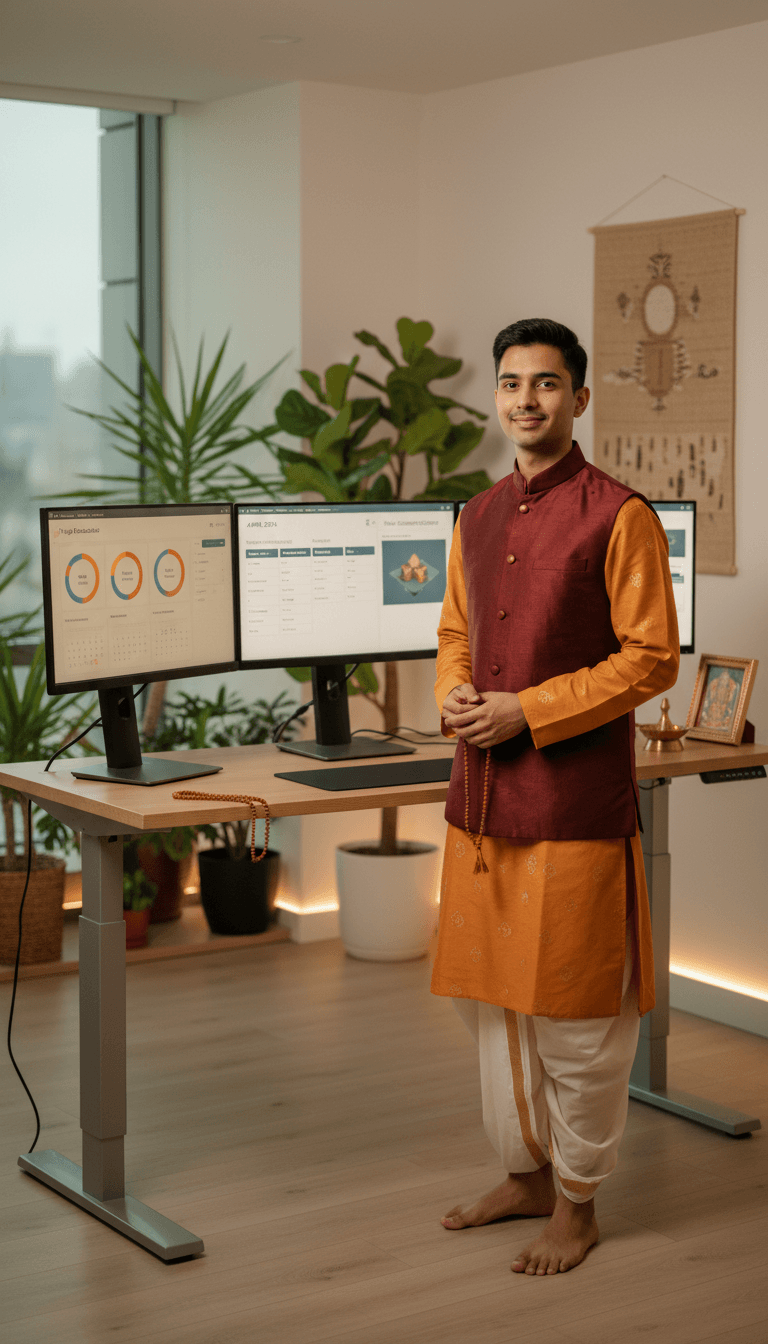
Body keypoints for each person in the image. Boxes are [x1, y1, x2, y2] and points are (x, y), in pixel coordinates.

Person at [432, 318, 679, 1275]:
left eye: (545, 384)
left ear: (579, 398)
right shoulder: (475, 513)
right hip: (480, 801)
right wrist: (456, 689)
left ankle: (577, 1203)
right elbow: (456, 628)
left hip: (572, 805)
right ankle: (526, 1174)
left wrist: (526, 712)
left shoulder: (620, 516)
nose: (524, 401)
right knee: (491, 1007)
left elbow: (650, 659)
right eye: (509, 384)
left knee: (577, 1021)